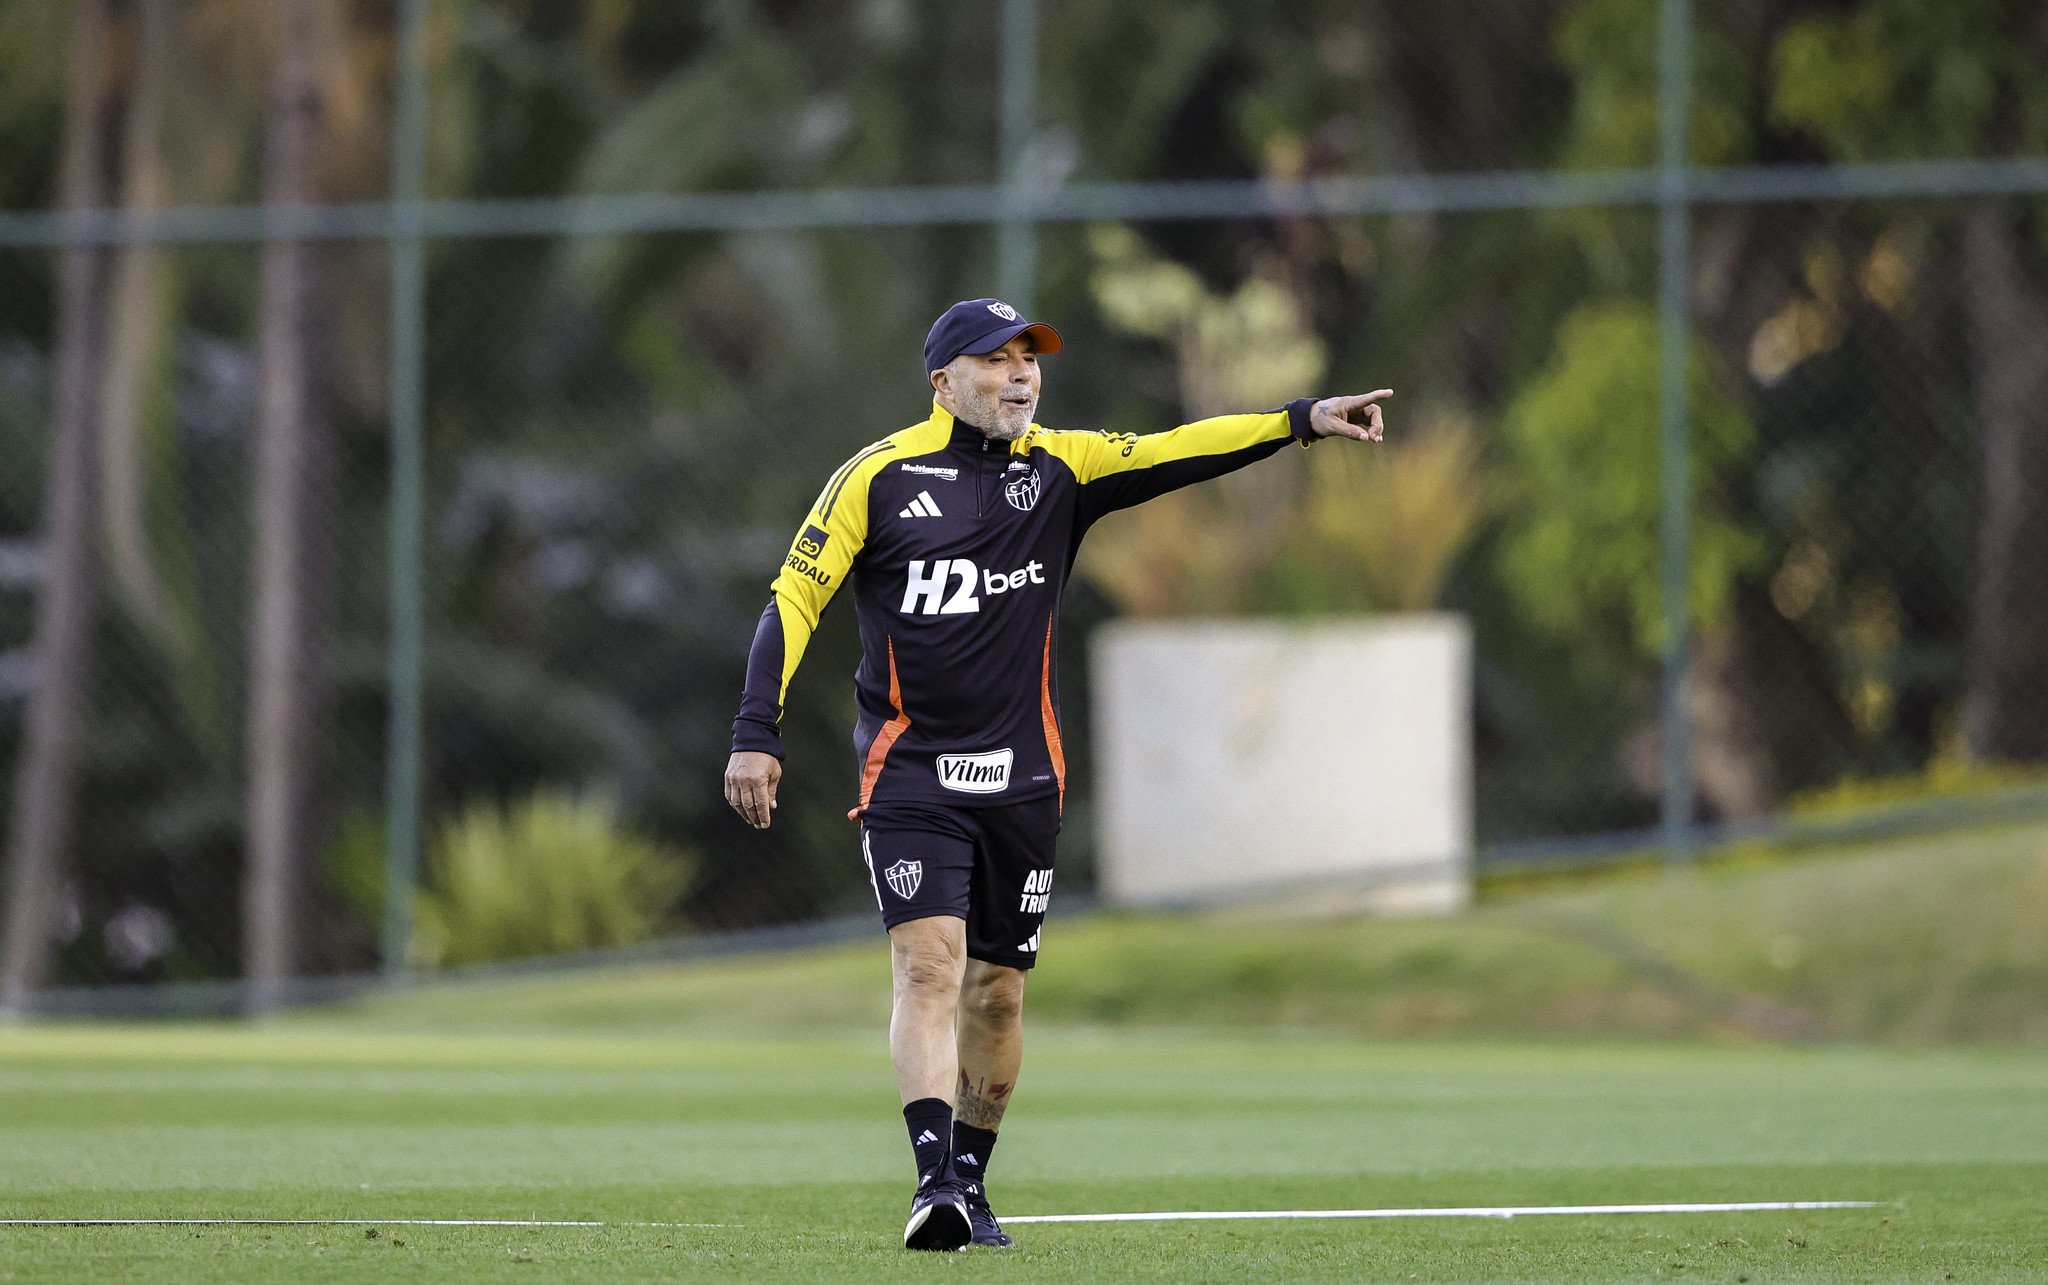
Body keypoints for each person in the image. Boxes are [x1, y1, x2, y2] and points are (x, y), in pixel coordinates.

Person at [724, 297, 1389, 1251]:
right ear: (943, 381)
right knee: (928, 968)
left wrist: (1300, 420)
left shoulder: (1065, 469)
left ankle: (970, 1182)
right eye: (996, 360)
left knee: (997, 992)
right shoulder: (877, 477)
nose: (1022, 375)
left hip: (1026, 780)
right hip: (909, 773)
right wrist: (758, 729)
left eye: (1030, 359)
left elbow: (1179, 446)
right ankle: (932, 1184)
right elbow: (795, 595)